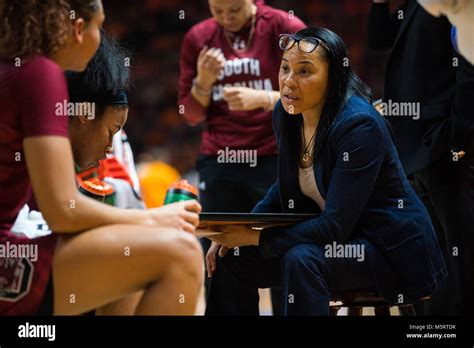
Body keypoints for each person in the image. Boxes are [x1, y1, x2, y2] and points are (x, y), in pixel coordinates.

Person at [204, 27, 447, 315]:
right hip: (332, 243)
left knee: (302, 257)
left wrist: (255, 237)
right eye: (285, 69)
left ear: (333, 78)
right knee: (232, 256)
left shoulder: (359, 126)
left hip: (386, 250)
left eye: (304, 72)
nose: (289, 82)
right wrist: (240, 230)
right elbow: (284, 187)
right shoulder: (286, 113)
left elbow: (333, 227)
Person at [0, 0, 202, 315]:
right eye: (99, 25)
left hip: (14, 249)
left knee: (127, 257)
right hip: (8, 259)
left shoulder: (15, 68)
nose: (102, 39)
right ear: (79, 30)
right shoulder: (40, 73)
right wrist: (154, 218)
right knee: (183, 254)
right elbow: (62, 212)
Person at [178, 0, 305, 315]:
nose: (225, 18)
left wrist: (263, 98)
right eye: (217, 11)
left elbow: (317, 93)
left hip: (278, 155)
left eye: (233, 10)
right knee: (223, 255)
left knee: (287, 247)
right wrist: (203, 83)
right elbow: (189, 114)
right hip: (220, 161)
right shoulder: (198, 37)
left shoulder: (284, 28)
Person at [368, 0, 474, 315]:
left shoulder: (453, 5)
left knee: (459, 262)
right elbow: (379, 39)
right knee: (435, 262)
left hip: (442, 144)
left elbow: (470, 68)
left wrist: (456, 136)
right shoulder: (418, 4)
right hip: (418, 147)